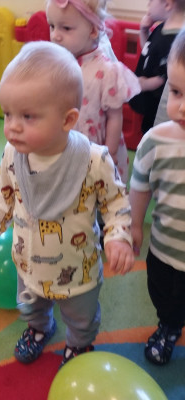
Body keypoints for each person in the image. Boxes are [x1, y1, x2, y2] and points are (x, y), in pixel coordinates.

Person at [0, 41, 134, 368]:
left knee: (81, 316)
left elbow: (116, 201)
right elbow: (5, 194)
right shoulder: (12, 153)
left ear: (67, 119)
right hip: (28, 262)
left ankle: (78, 344)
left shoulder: (94, 160)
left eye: (27, 116)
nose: (12, 126)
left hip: (77, 267)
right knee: (30, 305)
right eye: (7, 113)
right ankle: (39, 328)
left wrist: (118, 236)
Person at [129, 28, 185, 366]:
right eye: (176, 92)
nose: (182, 107)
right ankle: (169, 325)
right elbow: (140, 185)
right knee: (164, 294)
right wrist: (135, 224)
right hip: (164, 248)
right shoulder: (156, 140)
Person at [46, 0, 140, 184]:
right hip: (67, 141)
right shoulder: (58, 62)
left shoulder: (107, 71)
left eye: (66, 28)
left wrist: (110, 152)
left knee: (98, 186)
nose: (55, 35)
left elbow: (115, 116)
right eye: (52, 26)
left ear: (93, 31)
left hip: (97, 147)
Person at [129, 0, 185, 134]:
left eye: (151, 1)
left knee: (154, 133)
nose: (148, 5)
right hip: (149, 103)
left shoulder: (177, 40)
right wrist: (144, 31)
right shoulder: (162, 28)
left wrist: (144, 84)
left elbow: (165, 78)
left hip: (159, 108)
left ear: (167, 4)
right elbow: (149, 51)